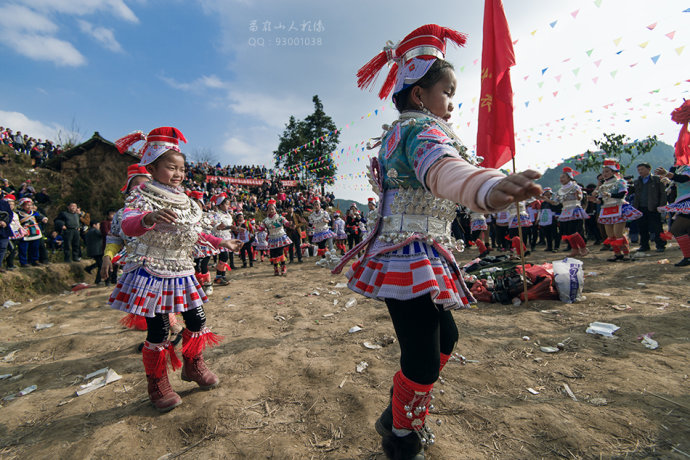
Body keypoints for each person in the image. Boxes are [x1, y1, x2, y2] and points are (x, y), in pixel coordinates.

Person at [334, 25, 542, 458]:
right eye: (447, 91)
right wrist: (484, 187)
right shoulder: (420, 132)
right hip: (404, 257)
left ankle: (396, 415)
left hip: (422, 253)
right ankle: (402, 438)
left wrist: (482, 186)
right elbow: (443, 170)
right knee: (424, 358)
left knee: (445, 341)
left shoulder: (406, 132)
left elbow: (443, 169)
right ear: (418, 95)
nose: (452, 102)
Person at [109, 126, 242, 412]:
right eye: (171, 168)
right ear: (153, 167)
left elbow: (196, 233)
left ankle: (193, 366)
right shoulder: (141, 195)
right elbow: (128, 224)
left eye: (182, 169)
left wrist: (223, 242)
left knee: (196, 319)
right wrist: (148, 218)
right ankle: (157, 383)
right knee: (158, 328)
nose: (179, 174)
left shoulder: (188, 202)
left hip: (182, 269)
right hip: (152, 269)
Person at [591, 159, 642, 262]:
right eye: (603, 172)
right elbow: (601, 200)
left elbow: (622, 195)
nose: (604, 174)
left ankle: (626, 253)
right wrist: (595, 200)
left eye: (607, 171)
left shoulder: (620, 182)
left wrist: (609, 195)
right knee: (610, 235)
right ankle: (617, 254)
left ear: (614, 172)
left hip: (618, 207)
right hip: (606, 209)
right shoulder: (603, 186)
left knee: (618, 233)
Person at [543, 167, 589, 256]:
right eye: (560, 177)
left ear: (569, 178)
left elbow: (580, 196)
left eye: (563, 177)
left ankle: (583, 248)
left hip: (574, 209)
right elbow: (556, 202)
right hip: (565, 211)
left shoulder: (575, 186)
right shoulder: (560, 190)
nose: (561, 179)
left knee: (573, 230)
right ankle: (575, 249)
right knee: (567, 232)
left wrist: (578, 196)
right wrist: (546, 199)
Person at [633, 163, 667, 253]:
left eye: (642, 169)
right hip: (640, 207)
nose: (640, 171)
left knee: (657, 227)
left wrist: (661, 205)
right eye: (639, 170)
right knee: (642, 228)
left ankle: (661, 245)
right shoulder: (637, 181)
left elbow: (663, 194)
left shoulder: (656, 180)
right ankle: (644, 245)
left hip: (653, 207)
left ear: (649, 169)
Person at [263, 198, 292, 276]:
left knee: (280, 253)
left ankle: (283, 267)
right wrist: (257, 228)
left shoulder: (280, 217)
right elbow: (262, 227)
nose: (271, 210)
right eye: (269, 209)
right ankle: (276, 268)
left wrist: (289, 223)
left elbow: (286, 223)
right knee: (273, 254)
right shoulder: (265, 220)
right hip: (272, 238)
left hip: (280, 236)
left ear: (275, 209)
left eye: (272, 209)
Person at [16, 197, 47, 267]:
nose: (29, 207)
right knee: (23, 248)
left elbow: (41, 217)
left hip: (35, 231)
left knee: (35, 247)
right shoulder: (19, 213)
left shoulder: (34, 213)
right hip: (25, 232)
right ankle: (23, 262)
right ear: (22, 206)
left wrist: (44, 219)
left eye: (30, 205)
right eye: (27, 205)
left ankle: (34, 260)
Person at [0, 194, 13, 272]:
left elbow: (10, 214)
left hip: (4, 230)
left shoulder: (4, 203)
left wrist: (5, 222)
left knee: (3, 248)